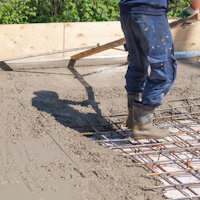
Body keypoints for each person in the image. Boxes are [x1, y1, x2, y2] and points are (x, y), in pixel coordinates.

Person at [119, 0, 200, 139]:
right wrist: (195, 8)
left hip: (128, 12)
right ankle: (143, 125)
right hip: (151, 13)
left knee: (137, 64)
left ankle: (133, 117)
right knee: (164, 70)